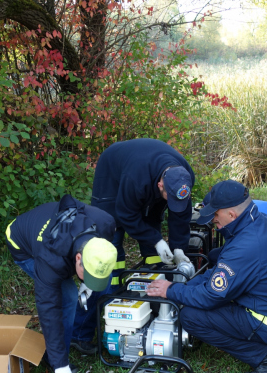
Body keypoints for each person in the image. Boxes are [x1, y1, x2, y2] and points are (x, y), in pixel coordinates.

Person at [146, 180, 267, 373]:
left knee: (191, 316)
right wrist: (189, 286)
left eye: (215, 215)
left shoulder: (245, 248)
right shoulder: (261, 221)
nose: (213, 220)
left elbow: (211, 297)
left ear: (231, 214)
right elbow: (220, 269)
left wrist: (171, 290)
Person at [71, 138, 196, 354]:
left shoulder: (184, 176)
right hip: (113, 176)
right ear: (160, 185)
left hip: (147, 184)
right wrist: (157, 240)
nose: (174, 203)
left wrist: (178, 248)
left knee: (155, 256)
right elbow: (126, 215)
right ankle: (80, 335)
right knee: (108, 256)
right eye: (169, 197)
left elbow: (181, 214)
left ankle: (151, 314)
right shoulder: (136, 179)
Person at [5, 194, 117, 373]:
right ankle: (54, 356)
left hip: (56, 227)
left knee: (105, 283)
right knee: (67, 297)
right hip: (21, 242)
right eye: (85, 273)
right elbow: (49, 309)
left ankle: (78, 334)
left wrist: (90, 282)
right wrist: (60, 366)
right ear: (78, 258)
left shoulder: (105, 223)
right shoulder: (50, 259)